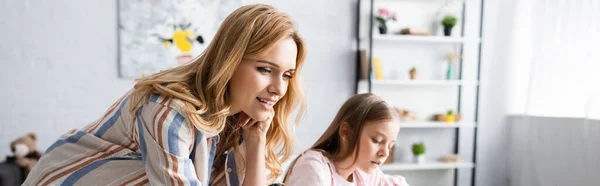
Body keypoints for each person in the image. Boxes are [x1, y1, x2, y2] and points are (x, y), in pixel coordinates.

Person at [24, 4, 306, 186]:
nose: (279, 89)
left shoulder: (240, 120)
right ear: (229, 61)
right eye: (265, 69)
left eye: (287, 75)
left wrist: (256, 144)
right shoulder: (169, 111)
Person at [284, 93, 409, 186]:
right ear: (346, 132)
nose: (385, 153)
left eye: (390, 146)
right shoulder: (313, 168)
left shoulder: (365, 175)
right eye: (377, 140)